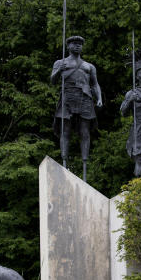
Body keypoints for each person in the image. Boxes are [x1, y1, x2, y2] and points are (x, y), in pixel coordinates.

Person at [51, 35, 102, 181]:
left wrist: (99, 98)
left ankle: (85, 164)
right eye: (74, 43)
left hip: (85, 97)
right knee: (65, 131)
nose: (77, 46)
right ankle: (64, 162)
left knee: (85, 132)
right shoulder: (60, 62)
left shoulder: (89, 66)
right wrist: (58, 71)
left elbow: (94, 84)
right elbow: (52, 80)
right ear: (68, 46)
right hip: (67, 97)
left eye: (80, 43)